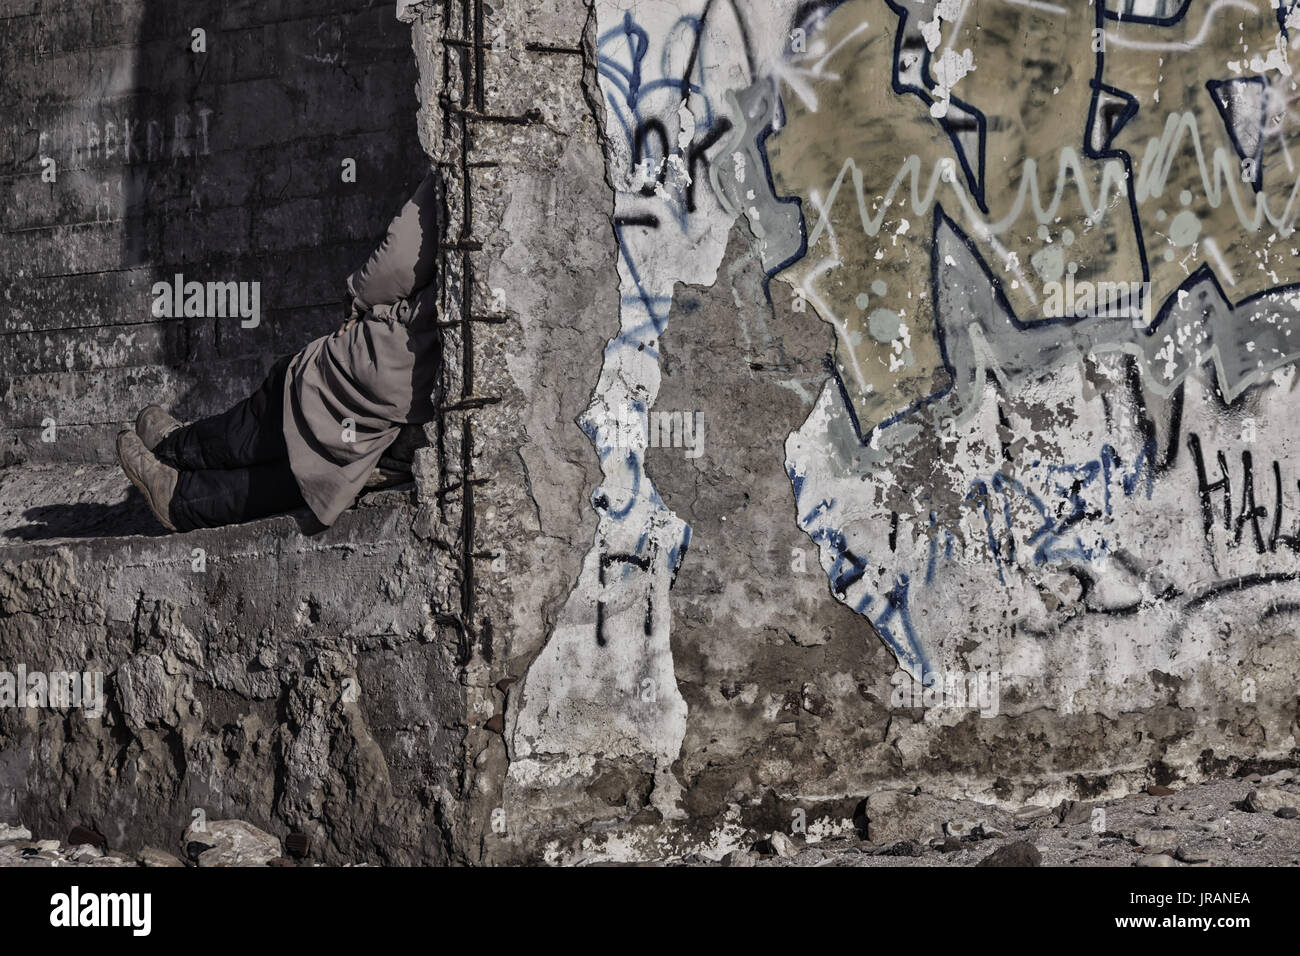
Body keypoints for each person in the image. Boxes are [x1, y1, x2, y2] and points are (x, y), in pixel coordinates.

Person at [116, 172, 442, 532]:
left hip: (387, 369)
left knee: (282, 402)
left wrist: (358, 301)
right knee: (314, 472)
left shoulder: (459, 170)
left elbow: (397, 262)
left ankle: (175, 449)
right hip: (418, 418)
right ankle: (180, 498)